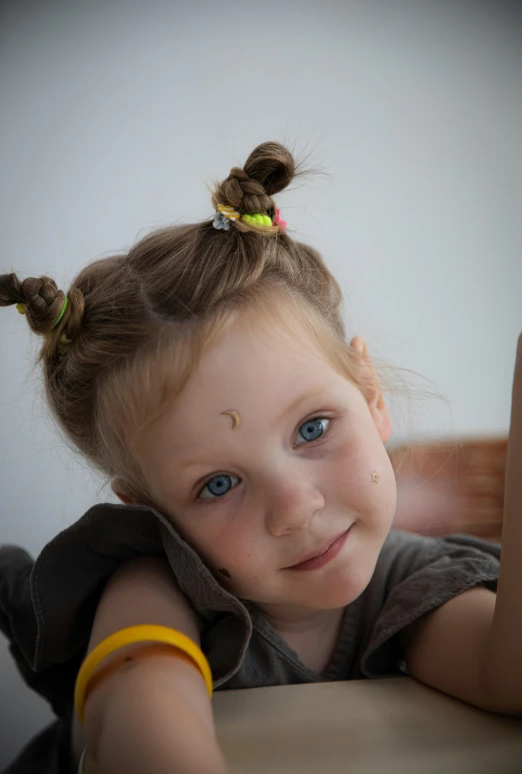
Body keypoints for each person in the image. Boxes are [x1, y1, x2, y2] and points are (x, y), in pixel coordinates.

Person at [0, 141, 516, 774]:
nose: (296, 509)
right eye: (218, 484)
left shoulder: (411, 582)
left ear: (370, 393)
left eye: (313, 428)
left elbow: (506, 673)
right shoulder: (154, 591)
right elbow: (140, 724)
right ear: (151, 514)